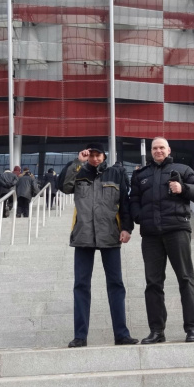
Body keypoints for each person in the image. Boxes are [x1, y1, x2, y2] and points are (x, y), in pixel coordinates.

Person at [57, 142, 138, 348]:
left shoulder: (115, 173)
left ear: (104, 156)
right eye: (91, 155)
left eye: (98, 155)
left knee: (116, 285)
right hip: (83, 236)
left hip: (110, 235)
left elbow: (125, 203)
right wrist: (77, 162)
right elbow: (64, 186)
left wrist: (126, 228)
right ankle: (80, 336)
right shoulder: (80, 172)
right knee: (81, 286)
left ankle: (122, 334)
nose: (94, 158)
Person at [129, 137, 194, 344]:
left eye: (162, 147)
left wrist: (184, 189)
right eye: (155, 148)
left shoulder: (183, 169)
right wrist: (139, 217)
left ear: (168, 149)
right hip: (151, 235)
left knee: (185, 279)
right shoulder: (140, 175)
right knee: (153, 283)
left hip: (177, 230)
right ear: (151, 151)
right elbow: (133, 199)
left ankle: (192, 329)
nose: (158, 151)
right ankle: (157, 331)